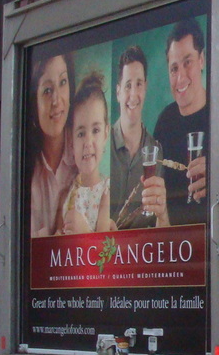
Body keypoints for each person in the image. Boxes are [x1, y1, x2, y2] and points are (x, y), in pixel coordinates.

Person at [148, 17, 208, 226]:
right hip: (175, 239)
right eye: (174, 68)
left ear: (201, 60)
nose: (180, 77)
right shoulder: (165, 121)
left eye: (187, 62)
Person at [109, 45, 163, 229]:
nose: (133, 95)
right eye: (128, 85)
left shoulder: (156, 150)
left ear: (145, 88)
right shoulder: (101, 144)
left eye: (139, 84)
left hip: (141, 247)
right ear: (118, 92)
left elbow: (159, 223)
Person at [57, 71, 113, 234]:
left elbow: (105, 246)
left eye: (95, 130)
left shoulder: (107, 193)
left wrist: (84, 232)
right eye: (81, 134)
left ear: (106, 134)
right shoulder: (66, 193)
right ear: (71, 140)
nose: (88, 142)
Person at [30, 53, 77, 237]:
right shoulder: (24, 165)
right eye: (47, 90)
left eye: (63, 82)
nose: (57, 101)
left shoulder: (85, 151)